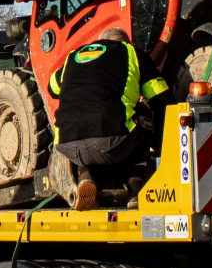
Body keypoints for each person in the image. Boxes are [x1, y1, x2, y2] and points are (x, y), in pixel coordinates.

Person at [45, 24, 166, 209]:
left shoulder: (75, 56)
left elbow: (52, 88)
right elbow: (162, 99)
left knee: (95, 130)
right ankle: (137, 189)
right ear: (127, 42)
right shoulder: (131, 53)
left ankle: (86, 176)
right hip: (110, 141)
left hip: (66, 143)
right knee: (142, 116)